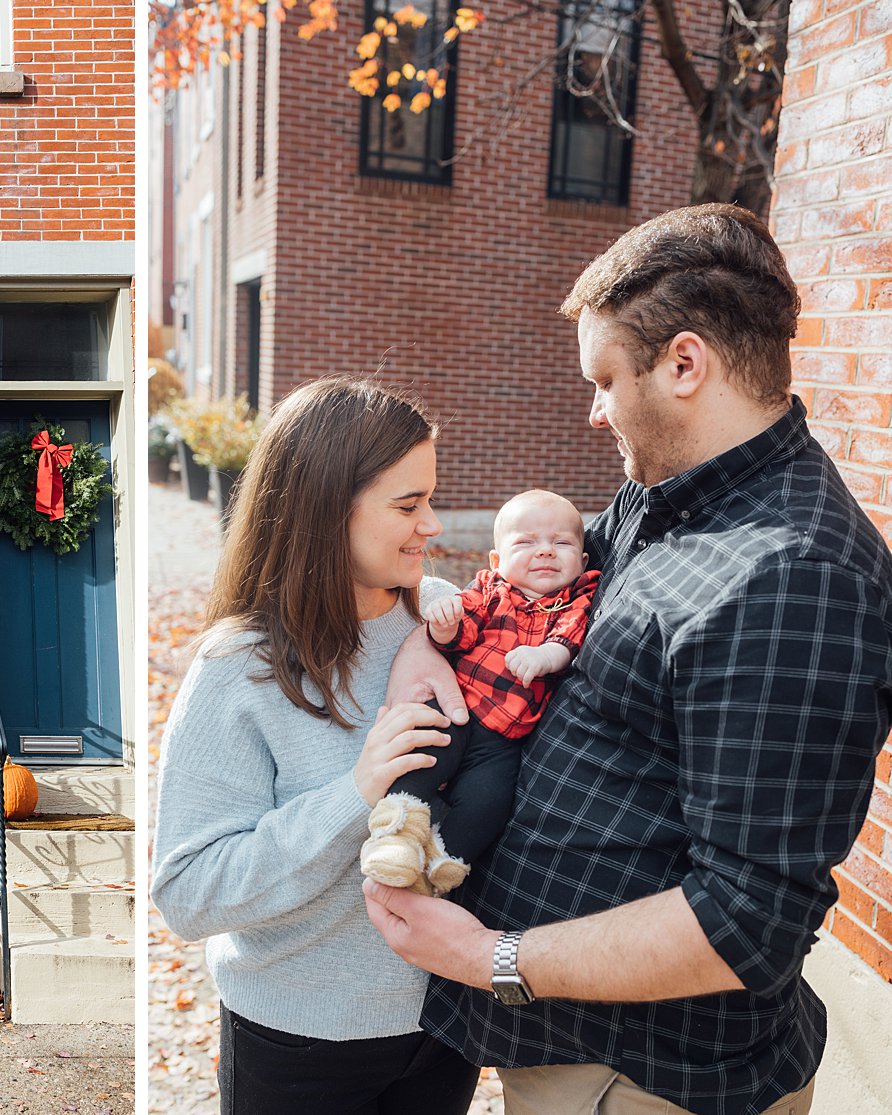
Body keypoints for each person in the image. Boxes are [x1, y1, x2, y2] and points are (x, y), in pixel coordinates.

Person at [364, 204, 892, 1115]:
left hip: (647, 1079)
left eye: (606, 378)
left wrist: (488, 957)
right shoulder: (664, 497)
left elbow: (746, 920)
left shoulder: (797, 577)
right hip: (579, 1049)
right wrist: (423, 644)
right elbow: (529, 592)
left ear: (685, 363)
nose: (595, 406)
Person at [151, 377, 481, 1114]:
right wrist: (356, 793)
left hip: (446, 1023)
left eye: (430, 497)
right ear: (329, 507)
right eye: (407, 504)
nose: (431, 523)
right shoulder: (238, 666)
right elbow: (186, 892)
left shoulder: (447, 624)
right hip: (298, 1039)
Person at [361, 489, 600, 897]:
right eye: (526, 542)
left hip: (504, 742)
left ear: (582, 561)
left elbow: (571, 637)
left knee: (490, 801)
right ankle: (396, 837)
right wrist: (444, 626)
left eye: (560, 543)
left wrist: (547, 655)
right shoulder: (491, 590)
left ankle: (441, 863)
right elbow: (463, 628)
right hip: (457, 712)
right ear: (497, 560)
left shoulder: (575, 601)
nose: (544, 552)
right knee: (422, 760)